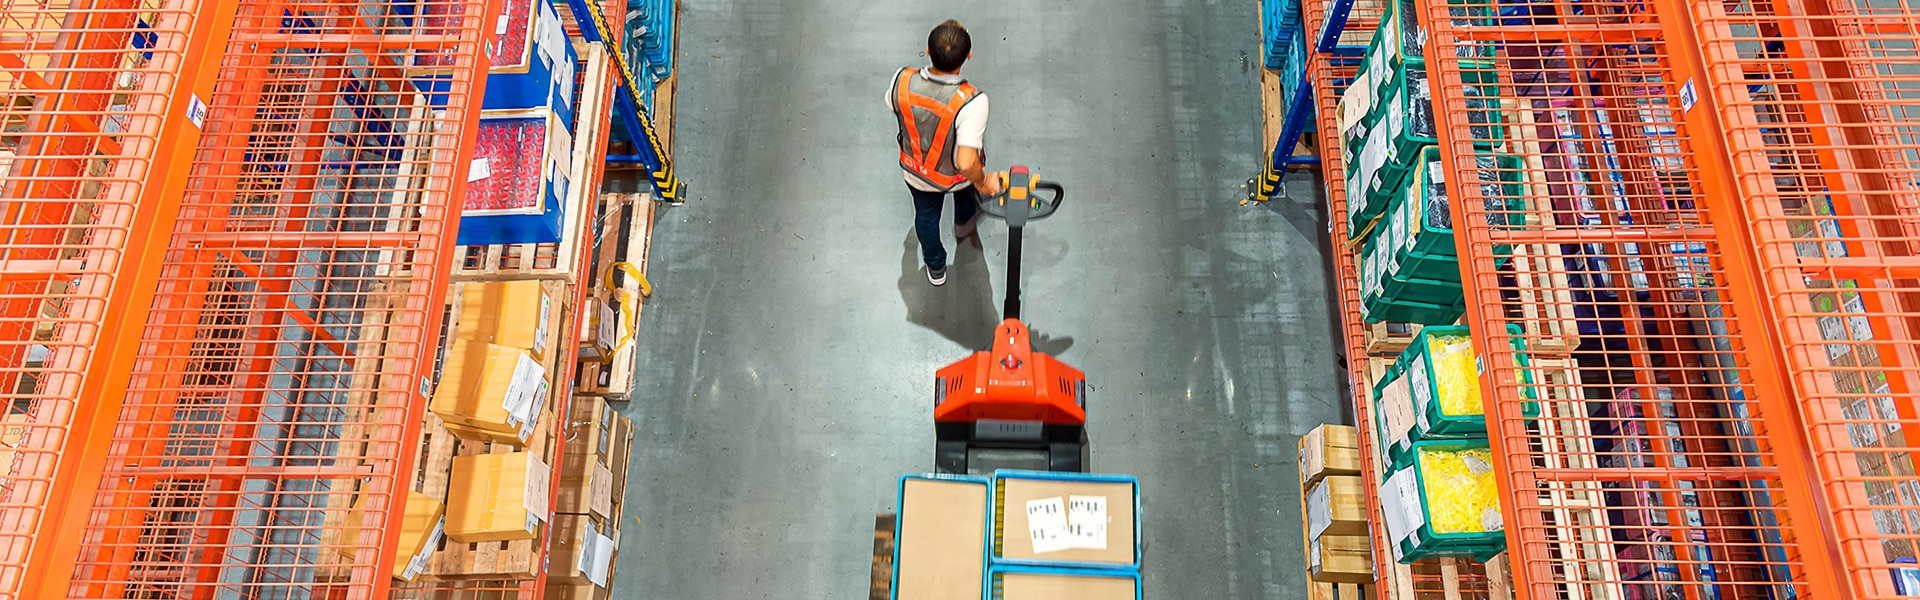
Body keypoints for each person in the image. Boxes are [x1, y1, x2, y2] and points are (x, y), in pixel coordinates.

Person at [888, 19, 1002, 286]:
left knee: (926, 217)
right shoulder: (973, 101)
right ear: (968, 55)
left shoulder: (901, 81)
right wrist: (984, 182)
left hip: (917, 173)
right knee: (965, 196)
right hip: (955, 178)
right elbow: (965, 162)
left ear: (927, 50)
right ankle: (964, 226)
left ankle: (936, 268)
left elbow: (893, 105)